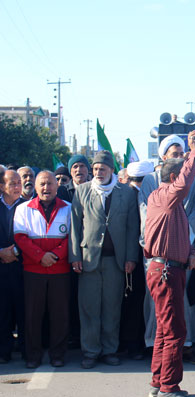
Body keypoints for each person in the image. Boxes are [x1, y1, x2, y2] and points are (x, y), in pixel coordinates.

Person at [69, 150, 140, 369]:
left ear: (111, 170)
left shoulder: (126, 193)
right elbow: (74, 226)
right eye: (96, 169)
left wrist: (131, 257)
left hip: (115, 262)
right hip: (89, 259)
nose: (98, 172)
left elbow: (132, 228)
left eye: (103, 169)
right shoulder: (82, 191)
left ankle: (109, 350)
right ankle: (90, 351)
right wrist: (75, 256)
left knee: (112, 308)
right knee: (89, 308)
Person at [144, 131, 195, 397]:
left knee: (165, 330)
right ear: (173, 177)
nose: (188, 181)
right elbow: (186, 179)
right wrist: (193, 151)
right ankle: (168, 387)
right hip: (166, 271)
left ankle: (159, 383)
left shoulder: (171, 203)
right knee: (175, 330)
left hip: (169, 269)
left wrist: (192, 252)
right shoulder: (166, 195)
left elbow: (182, 236)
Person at [13, 171, 71, 368]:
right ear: (36, 187)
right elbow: (20, 238)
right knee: (32, 315)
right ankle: (33, 355)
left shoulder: (69, 208)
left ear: (57, 186)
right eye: (42, 184)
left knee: (60, 315)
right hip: (33, 270)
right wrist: (40, 256)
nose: (46, 188)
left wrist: (54, 255)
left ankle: (58, 354)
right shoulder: (23, 209)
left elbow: (72, 237)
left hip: (60, 270)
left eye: (50, 184)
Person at [119, 161, 154, 360]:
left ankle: (138, 343)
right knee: (134, 300)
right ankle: (133, 344)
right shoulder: (131, 196)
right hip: (133, 258)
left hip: (143, 256)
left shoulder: (141, 194)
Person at [57, 154, 92, 350]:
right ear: (70, 171)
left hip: (90, 252)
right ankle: (70, 335)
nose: (79, 170)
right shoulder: (62, 191)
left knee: (87, 298)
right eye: (75, 167)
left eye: (82, 166)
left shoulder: (95, 189)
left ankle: (85, 336)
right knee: (68, 295)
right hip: (66, 251)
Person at [0, 170, 26, 363]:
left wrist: (15, 251)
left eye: (19, 182)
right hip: (1, 266)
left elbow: (32, 234)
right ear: (2, 186)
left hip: (21, 266)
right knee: (3, 311)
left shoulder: (27, 207)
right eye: (12, 183)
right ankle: (4, 352)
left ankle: (27, 351)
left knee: (24, 311)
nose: (18, 187)